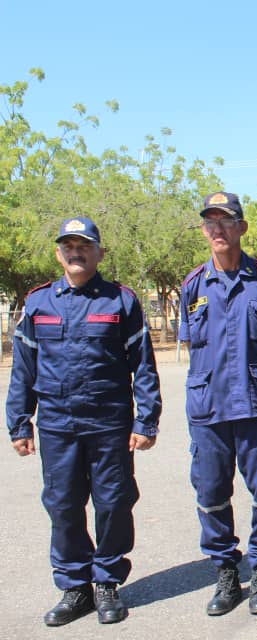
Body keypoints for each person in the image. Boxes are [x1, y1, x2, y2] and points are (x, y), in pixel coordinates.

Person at [6, 217, 161, 626]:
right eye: (69, 246)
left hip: (109, 424)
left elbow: (143, 366)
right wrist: (19, 423)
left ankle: (107, 581)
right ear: (59, 253)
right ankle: (75, 587)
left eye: (84, 245)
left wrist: (147, 421)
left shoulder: (121, 301)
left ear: (100, 253)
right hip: (58, 425)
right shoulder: (39, 303)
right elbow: (23, 369)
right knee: (63, 505)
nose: (76, 252)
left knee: (113, 502)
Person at [179, 191, 257, 616]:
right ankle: (227, 570)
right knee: (210, 492)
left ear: (242, 227)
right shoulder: (192, 284)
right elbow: (191, 345)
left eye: (226, 221)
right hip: (208, 408)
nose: (218, 229)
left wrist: (256, 377)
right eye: (210, 222)